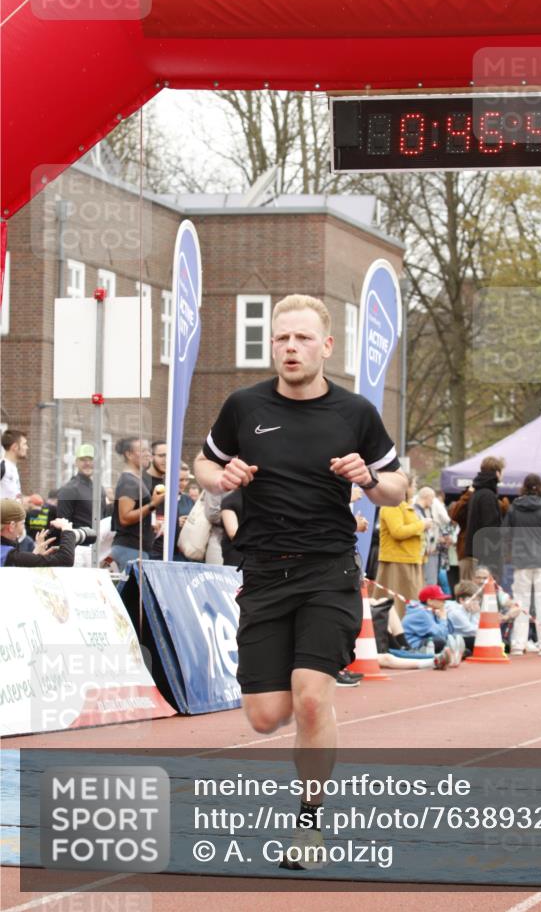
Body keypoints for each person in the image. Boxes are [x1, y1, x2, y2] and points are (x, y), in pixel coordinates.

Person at [194, 293, 406, 862]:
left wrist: (368, 478)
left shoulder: (354, 413)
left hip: (328, 571)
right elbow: (203, 462)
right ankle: (308, 701)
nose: (291, 347)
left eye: (303, 338)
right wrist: (220, 476)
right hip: (263, 573)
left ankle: (308, 821)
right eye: (282, 338)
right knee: (266, 717)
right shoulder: (243, 405)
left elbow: (397, 487)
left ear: (326, 346)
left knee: (311, 700)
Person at [502, 473, 541, 656]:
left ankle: (519, 643)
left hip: (521, 561)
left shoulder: (514, 508)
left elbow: (505, 534)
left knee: (521, 603)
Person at [371, 475, 432, 619]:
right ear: (405, 487)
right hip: (397, 562)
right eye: (414, 485)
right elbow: (397, 531)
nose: (415, 488)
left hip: (409, 560)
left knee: (408, 604)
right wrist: (422, 525)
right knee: (398, 605)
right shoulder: (391, 505)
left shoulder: (405, 506)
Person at [110, 437, 164, 572]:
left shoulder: (135, 480)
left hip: (136, 549)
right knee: (134, 593)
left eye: (148, 450)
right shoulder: (129, 481)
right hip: (130, 549)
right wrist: (152, 504)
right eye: (143, 450)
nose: (148, 454)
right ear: (128, 454)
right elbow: (125, 517)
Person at [463, 456, 507, 581]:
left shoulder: (478, 493)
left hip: (477, 552)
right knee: (488, 593)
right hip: (487, 556)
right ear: (497, 473)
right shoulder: (488, 495)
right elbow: (490, 528)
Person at [0, 498, 76, 567]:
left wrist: (34, 556)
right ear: (12, 526)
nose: (23, 527)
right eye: (22, 523)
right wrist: (67, 529)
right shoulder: (9, 556)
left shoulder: (8, 555)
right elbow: (65, 559)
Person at [56, 443, 109, 529]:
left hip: (98, 540)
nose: (87, 463)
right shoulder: (68, 489)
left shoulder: (99, 490)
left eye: (91, 460)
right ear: (76, 462)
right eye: (83, 460)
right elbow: (62, 525)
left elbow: (103, 519)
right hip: (78, 541)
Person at [143, 440, 167, 560]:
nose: (165, 460)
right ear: (151, 457)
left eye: (168, 456)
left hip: (167, 549)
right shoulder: (141, 481)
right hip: (147, 549)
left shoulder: (170, 482)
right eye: (161, 455)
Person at [412, 486, 441, 584]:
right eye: (432, 499)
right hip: (418, 554)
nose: (432, 502)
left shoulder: (424, 511)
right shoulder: (414, 511)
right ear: (426, 496)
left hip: (424, 553)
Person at [0, 429, 28, 500]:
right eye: (24, 444)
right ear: (15, 447)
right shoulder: (2, 466)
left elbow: (14, 496)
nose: (27, 447)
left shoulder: (12, 467)